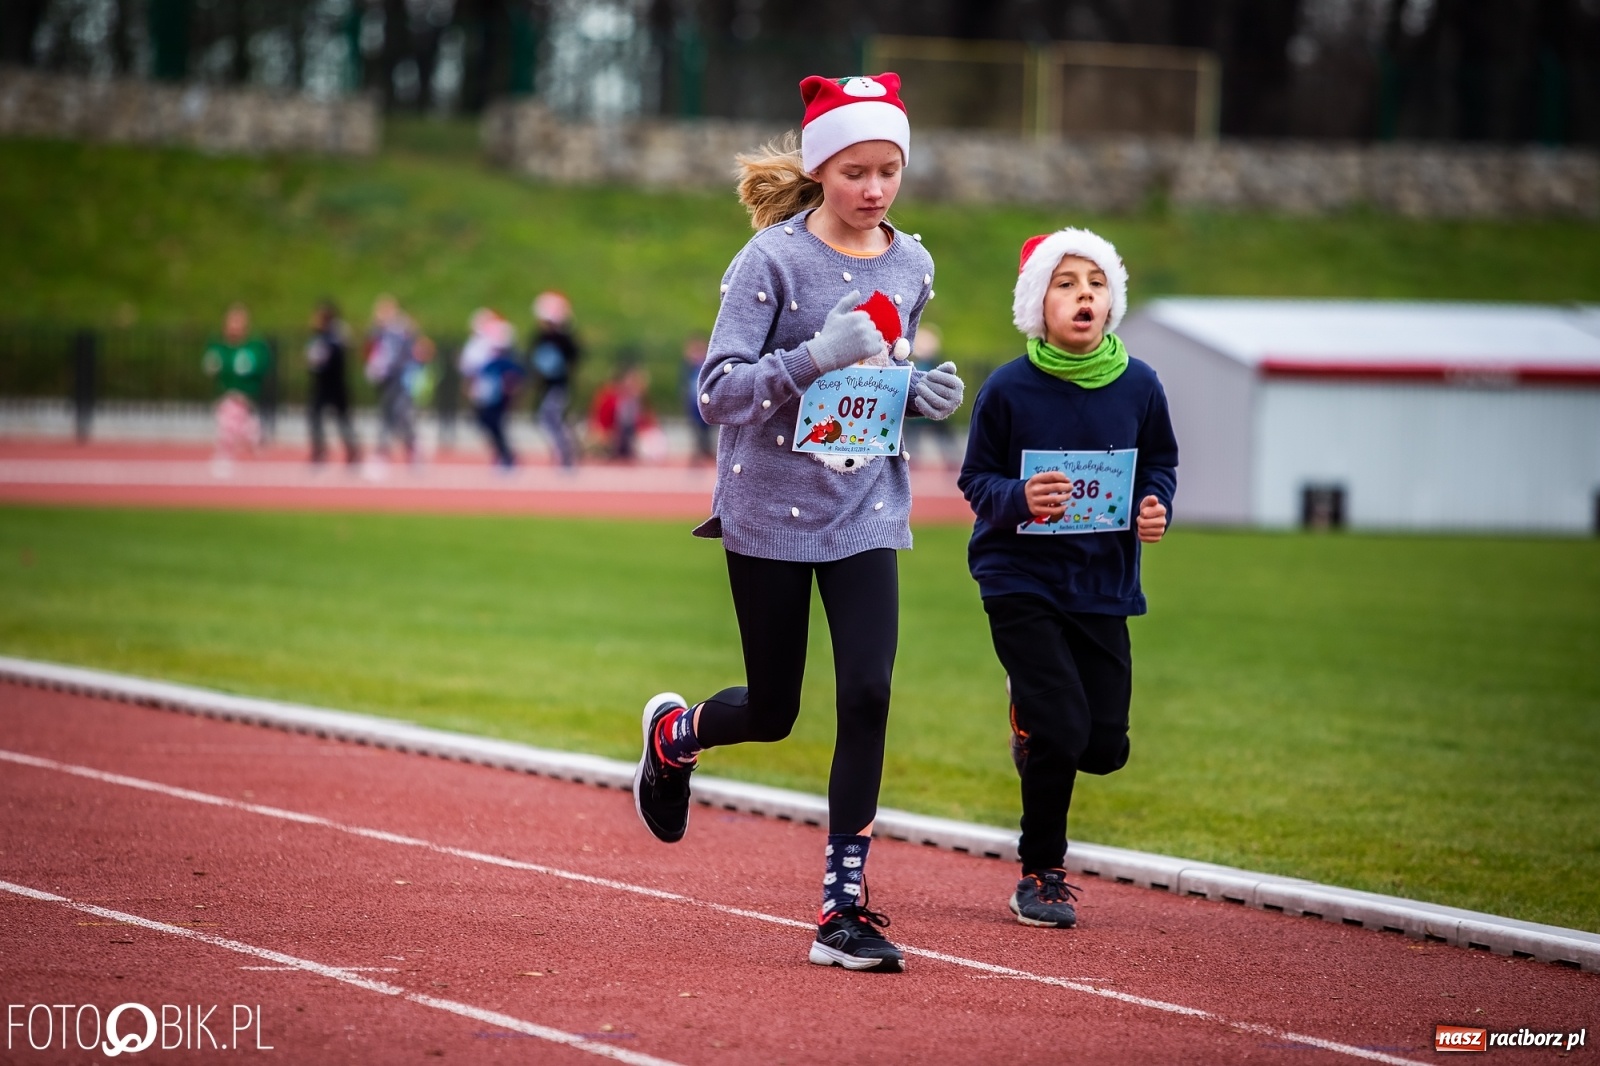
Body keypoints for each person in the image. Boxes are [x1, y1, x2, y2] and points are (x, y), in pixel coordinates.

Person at [629, 72, 965, 973]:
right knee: (774, 709)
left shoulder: (914, 263)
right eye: (857, 170)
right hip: (767, 507)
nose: (875, 189)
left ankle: (842, 908)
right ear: (821, 170)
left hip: (866, 507)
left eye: (889, 170)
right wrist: (814, 355)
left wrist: (917, 394)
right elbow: (716, 394)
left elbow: (878, 379)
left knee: (867, 693)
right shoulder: (770, 263)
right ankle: (676, 737)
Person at [956, 228, 1178, 929]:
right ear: (1036, 304)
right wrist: (1019, 500)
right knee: (1062, 725)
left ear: (1112, 301)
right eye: (1065, 282)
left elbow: (1160, 463)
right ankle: (1041, 872)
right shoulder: (1009, 387)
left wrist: (1154, 503)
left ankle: (1032, 722)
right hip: (1017, 574)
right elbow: (976, 478)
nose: (1084, 295)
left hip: (1102, 582)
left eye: (1096, 283)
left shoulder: (1141, 385)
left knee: (1103, 747)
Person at [201, 302, 270, 476]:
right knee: (229, 421)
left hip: (246, 397)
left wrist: (245, 391)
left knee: (228, 422)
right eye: (231, 322)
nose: (234, 327)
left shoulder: (253, 347)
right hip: (225, 396)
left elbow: (262, 367)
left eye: (238, 323)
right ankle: (250, 433)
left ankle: (227, 454)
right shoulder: (219, 346)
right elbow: (211, 367)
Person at [458, 309, 525, 469]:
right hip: (486, 388)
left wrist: (511, 383)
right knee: (486, 421)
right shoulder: (478, 344)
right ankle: (503, 453)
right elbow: (470, 367)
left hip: (497, 388)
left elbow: (510, 365)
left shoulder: (499, 339)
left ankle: (505, 455)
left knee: (495, 421)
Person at [527, 292, 581, 469]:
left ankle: (566, 453)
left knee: (552, 418)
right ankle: (562, 451)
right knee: (548, 419)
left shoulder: (563, 339)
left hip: (558, 386)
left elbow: (573, 358)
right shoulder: (540, 338)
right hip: (547, 387)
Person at [365, 294, 419, 469]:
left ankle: (411, 450)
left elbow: (410, 350)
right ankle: (384, 453)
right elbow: (372, 351)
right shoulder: (378, 331)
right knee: (387, 414)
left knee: (401, 414)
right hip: (386, 379)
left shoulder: (401, 329)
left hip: (401, 377)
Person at [305, 299, 360, 467]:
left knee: (343, 420)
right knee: (315, 416)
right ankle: (319, 451)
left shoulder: (335, 338)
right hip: (321, 386)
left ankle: (352, 452)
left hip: (336, 385)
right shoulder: (319, 338)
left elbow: (329, 358)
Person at [587, 362, 657, 461]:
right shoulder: (610, 397)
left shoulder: (638, 399)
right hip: (611, 436)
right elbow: (601, 423)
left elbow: (648, 422)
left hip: (630, 436)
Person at [681, 332, 715, 463]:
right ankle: (698, 452)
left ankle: (706, 450)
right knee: (696, 429)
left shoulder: (706, 364)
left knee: (706, 427)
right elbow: (684, 384)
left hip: (705, 400)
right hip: (693, 402)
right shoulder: (688, 366)